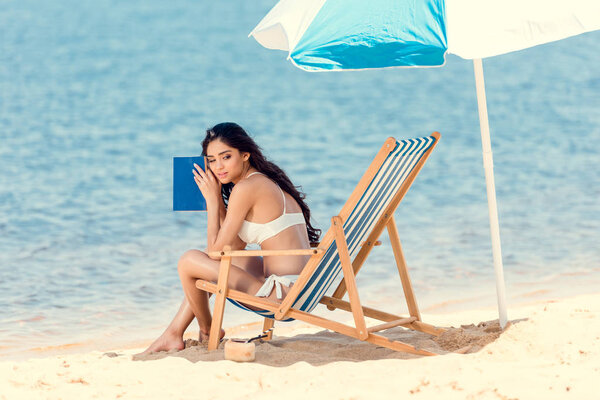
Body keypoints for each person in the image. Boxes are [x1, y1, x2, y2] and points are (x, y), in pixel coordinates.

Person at [140, 122, 320, 354]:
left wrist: (214, 201)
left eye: (226, 157)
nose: (218, 167)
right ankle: (174, 333)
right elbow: (232, 247)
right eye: (211, 160)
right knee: (208, 262)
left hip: (283, 296)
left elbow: (216, 254)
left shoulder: (246, 188)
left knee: (189, 260)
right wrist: (214, 204)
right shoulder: (262, 181)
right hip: (298, 288)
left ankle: (207, 329)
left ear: (245, 154)